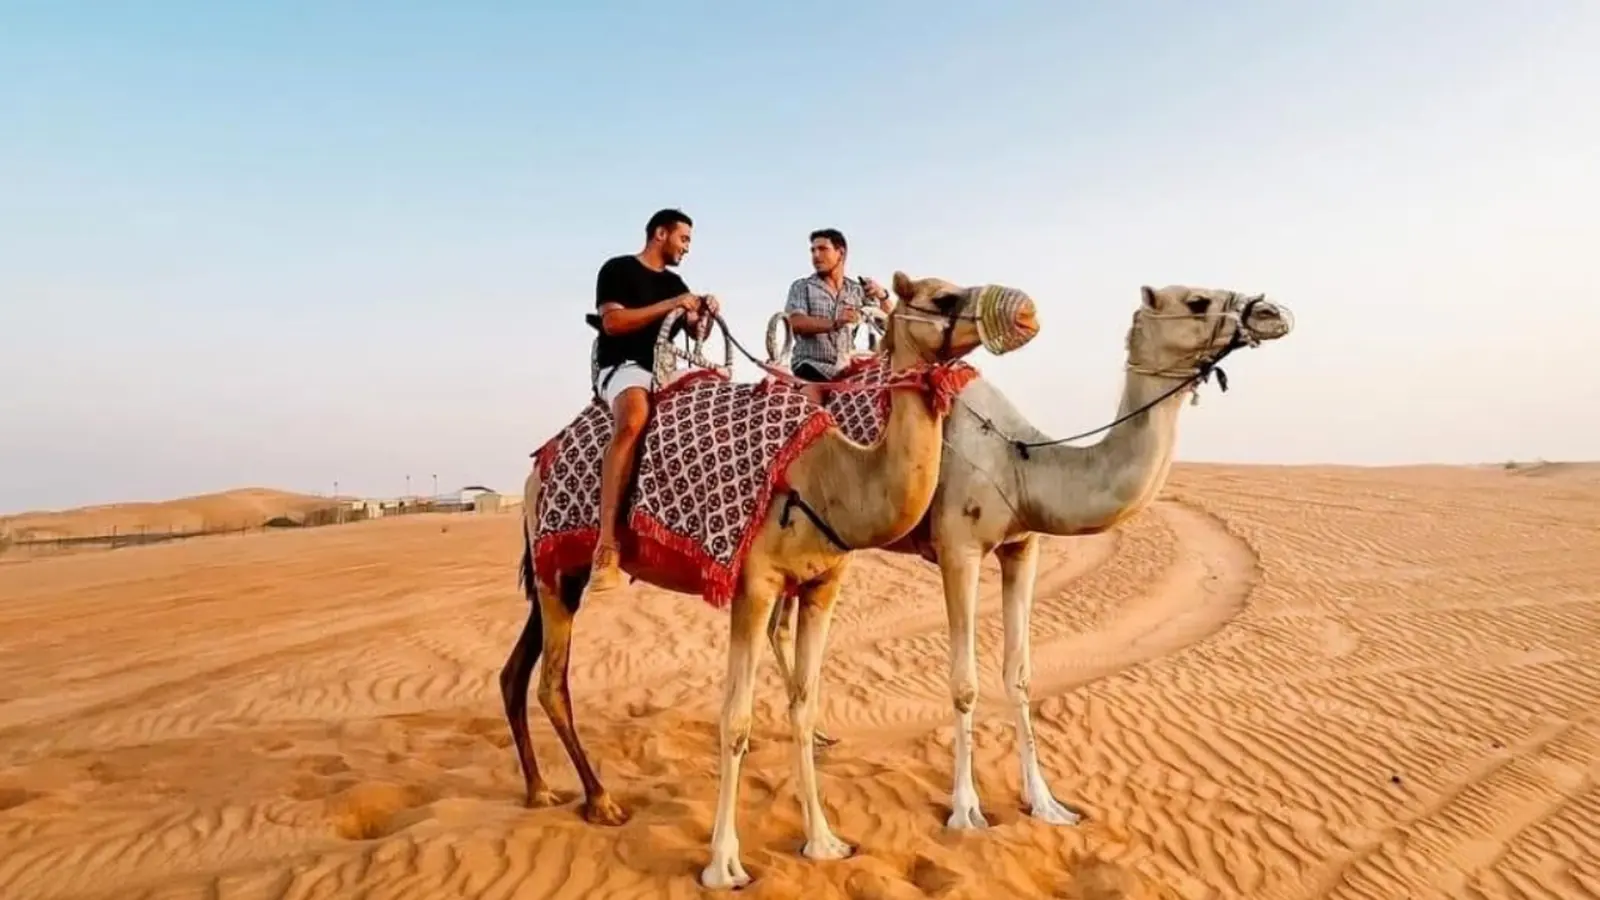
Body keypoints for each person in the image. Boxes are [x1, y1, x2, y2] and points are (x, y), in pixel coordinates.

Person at [588, 208, 719, 593]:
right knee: (633, 418)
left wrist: (703, 315)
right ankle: (607, 543)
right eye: (684, 239)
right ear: (661, 234)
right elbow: (613, 323)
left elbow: (696, 336)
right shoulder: (617, 270)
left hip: (665, 370)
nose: (687, 248)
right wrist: (674, 304)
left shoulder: (677, 282)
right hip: (623, 366)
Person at [781, 229, 891, 400]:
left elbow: (888, 323)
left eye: (823, 249)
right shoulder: (802, 286)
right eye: (813, 250)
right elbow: (796, 322)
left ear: (841, 253)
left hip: (848, 371)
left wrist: (882, 295)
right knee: (811, 411)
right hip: (811, 369)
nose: (816, 255)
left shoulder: (856, 290)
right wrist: (835, 323)